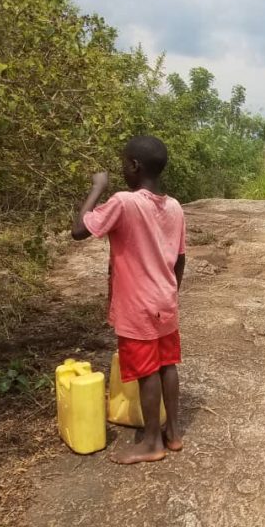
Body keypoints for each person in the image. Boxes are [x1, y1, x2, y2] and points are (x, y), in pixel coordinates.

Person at [71, 135, 186, 464]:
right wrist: (169, 291)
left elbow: (79, 230)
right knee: (167, 365)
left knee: (147, 370)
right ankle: (173, 433)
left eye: (124, 164)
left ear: (134, 166)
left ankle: (151, 442)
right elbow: (180, 258)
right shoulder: (175, 206)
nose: (122, 169)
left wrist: (97, 187)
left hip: (137, 305)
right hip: (166, 300)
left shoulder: (124, 201)